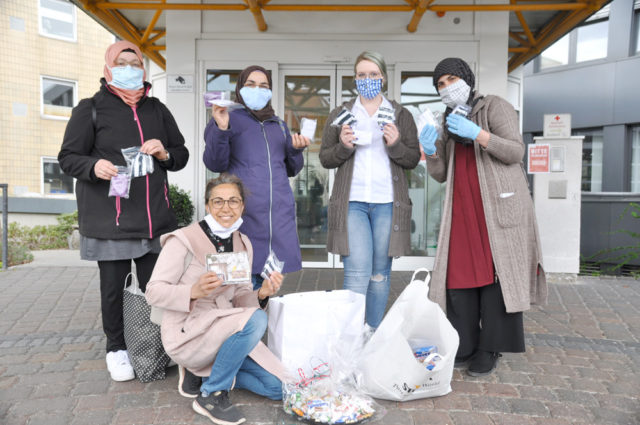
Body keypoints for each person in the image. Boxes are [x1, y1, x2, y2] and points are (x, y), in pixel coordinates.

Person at [58, 40, 189, 382]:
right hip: (111, 218)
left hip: (153, 219)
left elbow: (181, 154)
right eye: (122, 62)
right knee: (114, 289)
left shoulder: (157, 110)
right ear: (109, 67)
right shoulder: (91, 108)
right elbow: (68, 158)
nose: (130, 69)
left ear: (144, 70)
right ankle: (117, 349)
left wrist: (164, 153)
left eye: (135, 63)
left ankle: (153, 344)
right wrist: (94, 166)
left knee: (155, 288)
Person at [419, 57, 547, 376]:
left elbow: (516, 152)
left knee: (495, 275)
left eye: (451, 79)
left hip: (496, 207)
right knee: (460, 275)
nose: (447, 88)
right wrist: (431, 152)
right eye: (440, 84)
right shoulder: (447, 121)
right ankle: (465, 344)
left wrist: (479, 135)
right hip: (462, 208)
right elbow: (441, 174)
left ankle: (490, 348)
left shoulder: (494, 107)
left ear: (466, 78)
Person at [145, 174, 288, 425]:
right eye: (218, 201)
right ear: (208, 205)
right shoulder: (183, 240)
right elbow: (153, 292)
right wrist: (193, 291)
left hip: (224, 329)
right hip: (188, 331)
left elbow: (242, 299)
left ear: (242, 206)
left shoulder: (243, 244)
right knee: (256, 321)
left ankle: (204, 374)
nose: (226, 208)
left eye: (233, 201)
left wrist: (262, 293)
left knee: (278, 388)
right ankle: (212, 394)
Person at [319, 51, 421, 329]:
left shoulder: (401, 115)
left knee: (379, 274)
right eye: (362, 75)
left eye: (373, 74)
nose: (367, 80)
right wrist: (343, 146)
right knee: (355, 273)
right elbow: (326, 158)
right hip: (353, 204)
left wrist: (396, 143)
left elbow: (411, 159)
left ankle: (372, 334)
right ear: (355, 79)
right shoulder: (341, 115)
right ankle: (350, 340)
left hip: (388, 203)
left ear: (383, 78)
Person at [203, 65, 310, 290]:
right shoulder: (227, 117)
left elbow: (291, 169)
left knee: (269, 291)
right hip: (244, 218)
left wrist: (296, 150)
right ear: (240, 88)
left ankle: (263, 323)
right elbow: (214, 163)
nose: (257, 89)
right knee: (240, 289)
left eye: (264, 86)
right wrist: (221, 129)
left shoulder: (278, 125)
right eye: (250, 84)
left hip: (276, 220)